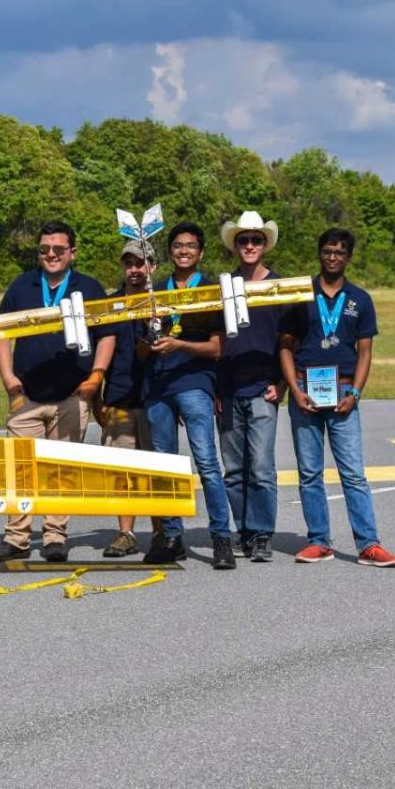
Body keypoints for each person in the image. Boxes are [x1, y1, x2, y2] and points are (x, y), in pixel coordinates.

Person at [0, 221, 115, 562]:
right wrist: (8, 378)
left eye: (59, 249)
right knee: (20, 469)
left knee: (62, 469)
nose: (51, 255)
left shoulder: (89, 287)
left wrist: (96, 377)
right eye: (45, 249)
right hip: (27, 395)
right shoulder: (22, 285)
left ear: (72, 252)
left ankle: (55, 536)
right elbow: (0, 331)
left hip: (72, 394)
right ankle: (16, 537)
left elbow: (107, 334)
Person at [278, 228, 395, 567]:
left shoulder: (360, 299)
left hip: (344, 392)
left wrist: (356, 393)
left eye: (340, 252)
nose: (333, 257)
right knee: (310, 473)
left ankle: (368, 544)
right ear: (319, 254)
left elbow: (365, 352)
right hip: (305, 392)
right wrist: (294, 390)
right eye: (327, 251)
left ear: (349, 257)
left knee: (353, 473)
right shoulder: (301, 295)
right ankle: (319, 541)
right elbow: (285, 348)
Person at [139, 222, 236, 569]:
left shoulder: (210, 291)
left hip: (194, 383)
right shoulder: (154, 291)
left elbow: (217, 348)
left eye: (191, 246)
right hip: (158, 387)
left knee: (206, 462)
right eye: (178, 245)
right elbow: (139, 351)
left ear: (201, 252)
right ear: (170, 251)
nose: (184, 251)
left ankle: (221, 538)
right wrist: (150, 339)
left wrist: (178, 344)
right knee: (165, 465)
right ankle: (172, 537)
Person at [217, 211, 285, 563]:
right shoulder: (222, 286)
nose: (249, 245)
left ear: (264, 245)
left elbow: (290, 340)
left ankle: (261, 534)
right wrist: (214, 388)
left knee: (260, 467)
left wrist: (283, 383)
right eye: (243, 240)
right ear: (235, 245)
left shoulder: (279, 286)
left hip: (263, 388)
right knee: (233, 471)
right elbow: (213, 340)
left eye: (255, 240)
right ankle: (243, 530)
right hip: (228, 389)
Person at [94, 240, 161, 557]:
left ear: (153, 266)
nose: (135, 270)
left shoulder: (163, 301)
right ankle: (126, 533)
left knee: (157, 471)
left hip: (156, 399)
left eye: (141, 263)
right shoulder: (110, 305)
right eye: (129, 264)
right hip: (118, 398)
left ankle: (162, 532)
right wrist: (97, 399)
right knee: (122, 472)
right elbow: (98, 354)